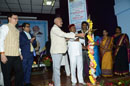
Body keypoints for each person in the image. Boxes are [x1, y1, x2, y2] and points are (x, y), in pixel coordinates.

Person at [50, 17, 85, 86]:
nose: (62, 23)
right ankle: (57, 84)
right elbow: (64, 35)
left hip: (60, 52)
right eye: (61, 21)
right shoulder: (55, 28)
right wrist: (77, 35)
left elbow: (63, 38)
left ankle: (53, 82)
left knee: (56, 68)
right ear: (56, 21)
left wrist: (68, 39)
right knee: (57, 69)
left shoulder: (57, 29)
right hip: (57, 52)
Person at [0, 13, 23, 86]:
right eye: (14, 18)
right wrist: (2, 54)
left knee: (20, 73)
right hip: (7, 55)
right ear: (9, 18)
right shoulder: (5, 27)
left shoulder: (17, 30)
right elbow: (0, 40)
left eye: (17, 18)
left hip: (16, 56)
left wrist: (20, 53)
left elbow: (17, 43)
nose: (17, 20)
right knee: (7, 76)